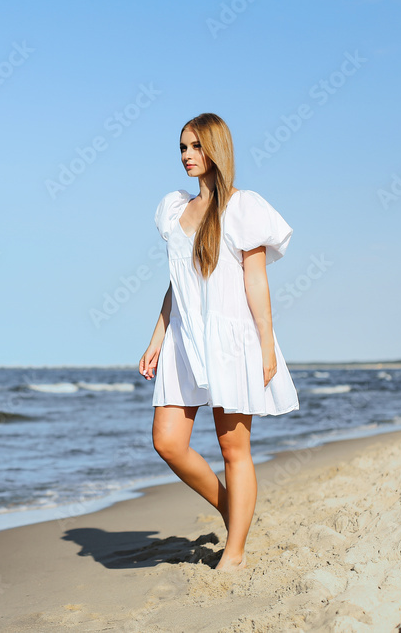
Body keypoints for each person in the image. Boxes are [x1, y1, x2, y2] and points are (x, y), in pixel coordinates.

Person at [139, 112, 299, 571]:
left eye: (195, 146)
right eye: (183, 148)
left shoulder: (242, 207)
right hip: (183, 339)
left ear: (216, 149)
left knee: (234, 449)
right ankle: (234, 510)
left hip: (232, 339)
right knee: (167, 442)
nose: (188, 156)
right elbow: (180, 284)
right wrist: (156, 337)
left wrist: (267, 344)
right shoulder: (174, 209)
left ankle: (235, 551)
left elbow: (255, 279)